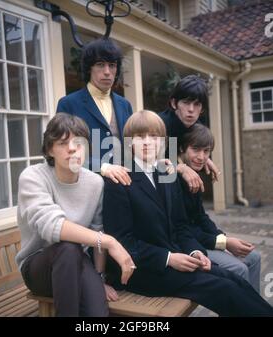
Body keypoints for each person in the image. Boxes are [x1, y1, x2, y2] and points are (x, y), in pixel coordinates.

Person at [103, 110, 273, 316]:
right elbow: (122, 241)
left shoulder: (167, 174)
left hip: (177, 260)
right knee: (224, 289)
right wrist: (168, 258)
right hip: (143, 271)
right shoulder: (119, 181)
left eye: (153, 136)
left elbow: (180, 227)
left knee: (234, 279)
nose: (147, 142)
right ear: (130, 142)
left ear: (162, 142)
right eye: (140, 137)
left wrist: (195, 252)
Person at [15, 113, 135, 317]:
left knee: (98, 313)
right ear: (50, 149)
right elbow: (53, 226)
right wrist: (110, 242)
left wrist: (99, 278)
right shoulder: (33, 177)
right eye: (62, 143)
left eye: (78, 143)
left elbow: (97, 230)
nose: (72, 148)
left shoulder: (95, 183)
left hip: (77, 261)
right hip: (38, 268)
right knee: (67, 247)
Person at [179, 123, 261, 292]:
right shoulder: (173, 180)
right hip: (186, 245)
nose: (201, 157)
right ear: (182, 149)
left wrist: (223, 238)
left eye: (206, 151)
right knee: (239, 269)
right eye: (196, 149)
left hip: (201, 239)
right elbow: (183, 229)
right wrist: (224, 243)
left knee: (254, 257)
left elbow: (201, 217)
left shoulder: (195, 175)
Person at [56, 38, 132, 186]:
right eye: (100, 65)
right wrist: (103, 167)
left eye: (112, 65)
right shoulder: (68, 104)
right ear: (89, 68)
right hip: (85, 186)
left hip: (124, 186)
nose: (107, 72)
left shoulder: (125, 105)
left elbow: (132, 148)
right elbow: (64, 149)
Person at [159, 75, 220, 193]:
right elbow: (140, 165)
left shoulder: (196, 126)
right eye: (186, 103)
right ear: (174, 103)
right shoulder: (159, 126)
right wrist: (180, 168)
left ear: (202, 108)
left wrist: (204, 158)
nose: (191, 109)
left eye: (197, 104)